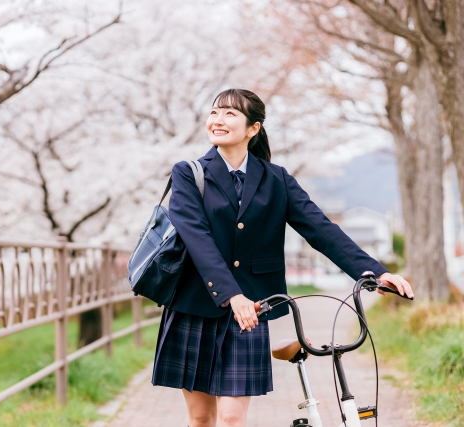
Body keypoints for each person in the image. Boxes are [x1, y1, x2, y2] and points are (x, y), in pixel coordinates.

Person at [150, 88, 414, 427]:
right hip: (196, 305)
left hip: (250, 312)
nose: (218, 120)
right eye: (215, 112)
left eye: (230, 114)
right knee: (201, 418)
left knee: (231, 418)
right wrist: (232, 295)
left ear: (253, 128)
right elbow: (197, 237)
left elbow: (321, 230)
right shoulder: (187, 173)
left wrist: (375, 273)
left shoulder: (277, 179)